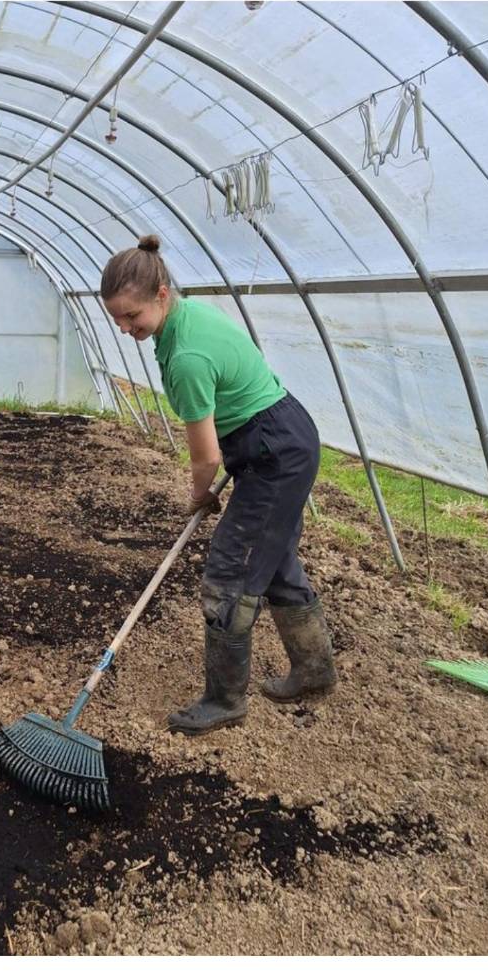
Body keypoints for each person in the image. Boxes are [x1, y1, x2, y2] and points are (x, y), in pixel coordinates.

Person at [101, 236, 337, 733]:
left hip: (273, 451)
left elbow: (205, 455)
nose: (125, 328)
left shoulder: (185, 355)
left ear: (161, 294)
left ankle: (225, 699)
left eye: (132, 317)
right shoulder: (186, 319)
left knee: (230, 569)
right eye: (117, 319)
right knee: (270, 560)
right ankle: (315, 671)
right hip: (280, 435)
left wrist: (201, 496)